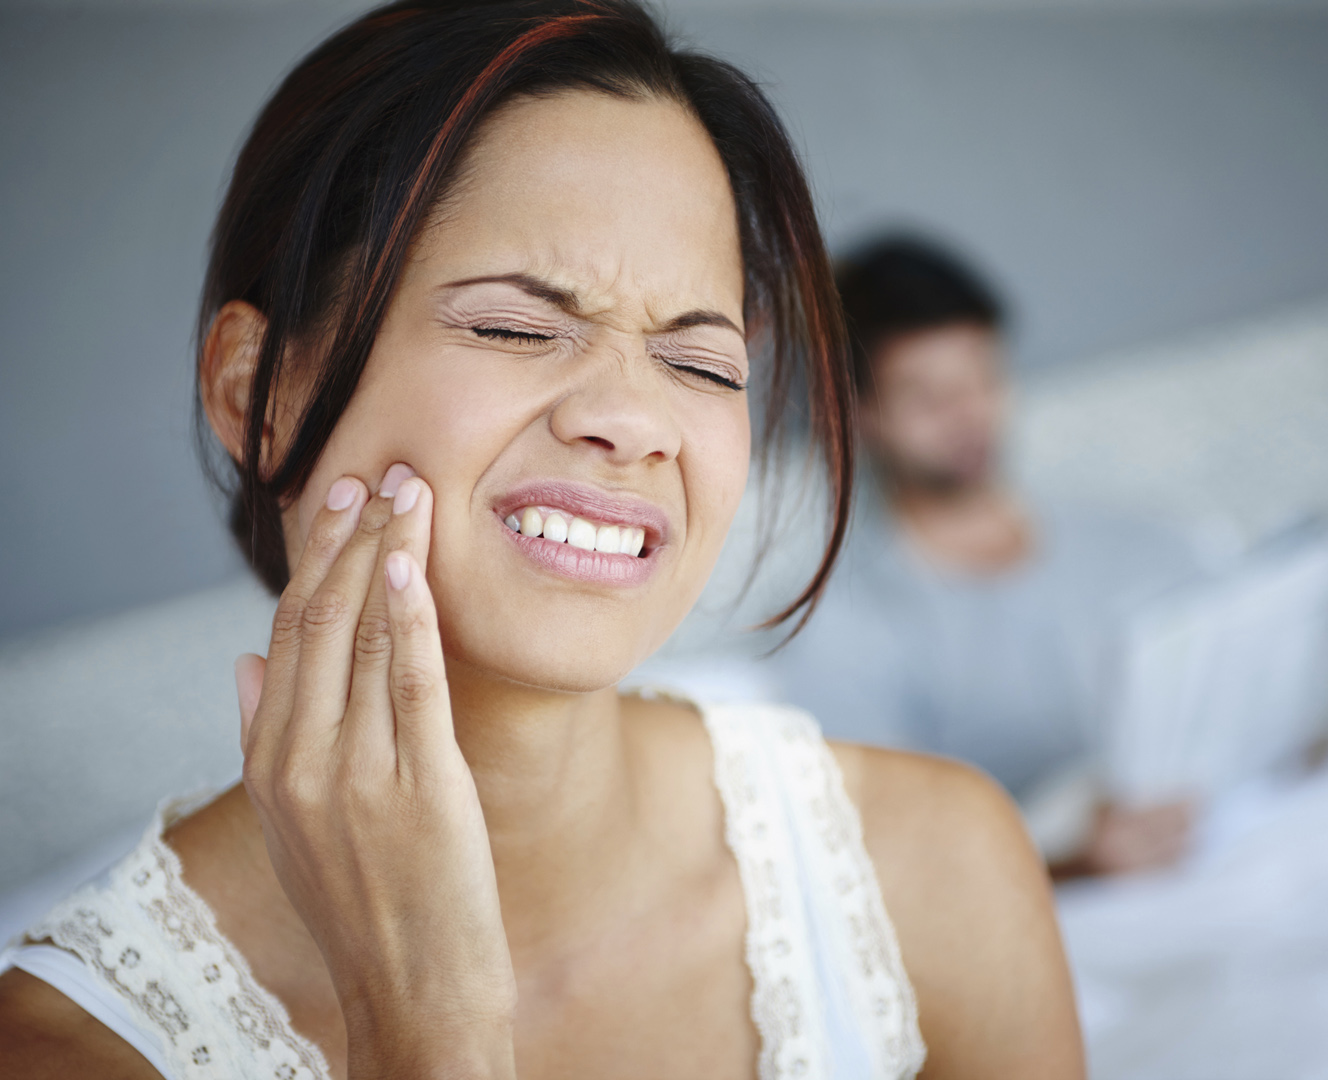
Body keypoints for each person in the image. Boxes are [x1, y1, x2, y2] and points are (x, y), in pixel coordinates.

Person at [0, 5, 1083, 1077]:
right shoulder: (65, 1050)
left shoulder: (935, 869)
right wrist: (426, 1022)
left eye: (701, 364)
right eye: (516, 327)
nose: (634, 420)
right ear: (259, 393)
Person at [768, 237, 1202, 875]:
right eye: (926, 396)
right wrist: (1075, 866)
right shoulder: (846, 624)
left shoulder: (1140, 545)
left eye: (982, 377)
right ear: (860, 414)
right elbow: (885, 851)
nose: (967, 415)